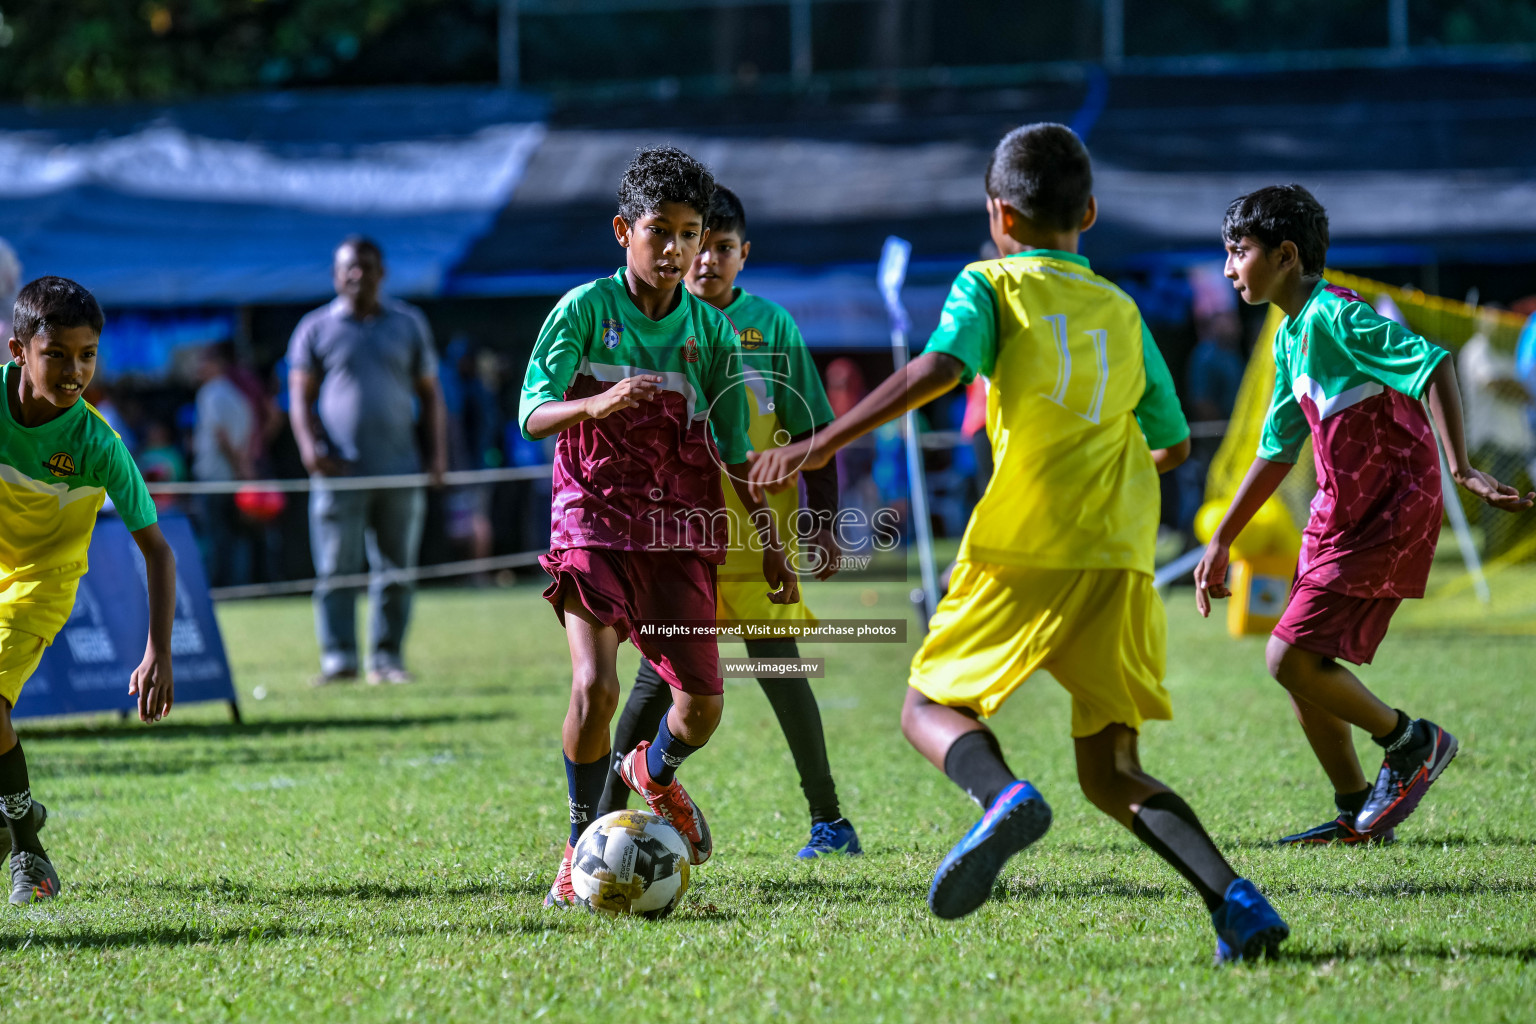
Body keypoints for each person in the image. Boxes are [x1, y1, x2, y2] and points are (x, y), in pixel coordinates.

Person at [750, 124, 1286, 964]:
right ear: (1092, 212)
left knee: (927, 707)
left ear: (999, 213)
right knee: (1111, 772)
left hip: (1025, 540)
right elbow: (1174, 441)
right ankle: (1239, 905)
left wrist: (821, 443)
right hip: (1117, 551)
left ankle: (1000, 800)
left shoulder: (990, 284)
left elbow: (938, 370)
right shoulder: (1122, 307)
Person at [1195, 184, 1534, 847]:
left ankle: (1412, 743)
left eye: (1238, 253)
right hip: (1339, 516)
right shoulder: (1292, 336)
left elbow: (1433, 365)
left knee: (1287, 655)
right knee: (1301, 667)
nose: (1230, 269)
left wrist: (1461, 467)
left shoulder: (1335, 317)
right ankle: (1356, 811)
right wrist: (1221, 541)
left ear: (1286, 255)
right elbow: (1274, 449)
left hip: (1388, 511)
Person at [519, 147, 797, 907]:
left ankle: (652, 773)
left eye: (691, 234)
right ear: (622, 231)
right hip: (593, 525)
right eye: (660, 232)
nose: (676, 249)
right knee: (595, 685)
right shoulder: (583, 312)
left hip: (678, 535)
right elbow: (533, 413)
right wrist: (593, 405)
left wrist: (773, 548)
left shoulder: (711, 335)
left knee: (702, 706)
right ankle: (579, 852)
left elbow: (739, 453)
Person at [594, 185, 860, 858]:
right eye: (696, 244)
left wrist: (820, 523)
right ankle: (597, 824)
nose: (705, 259)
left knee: (781, 669)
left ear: (744, 254)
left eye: (720, 247)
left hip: (752, 535)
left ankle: (828, 821)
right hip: (677, 537)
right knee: (657, 681)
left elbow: (815, 431)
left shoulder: (770, 328)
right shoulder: (655, 324)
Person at [2, 277, 176, 903]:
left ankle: (30, 854)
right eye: (57, 355)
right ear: (19, 350)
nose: (75, 371)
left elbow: (157, 550)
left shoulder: (98, 445)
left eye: (88, 355)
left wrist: (159, 649)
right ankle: (13, 815)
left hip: (41, 584)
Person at [287, 237, 448, 686]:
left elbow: (432, 395)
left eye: (367, 266)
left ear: (383, 272)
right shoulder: (314, 328)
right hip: (339, 475)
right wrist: (308, 447)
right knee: (336, 570)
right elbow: (299, 396)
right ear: (336, 275)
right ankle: (338, 659)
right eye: (348, 268)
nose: (358, 275)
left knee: (397, 571)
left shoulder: (409, 323)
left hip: (401, 469)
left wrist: (438, 456)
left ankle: (387, 659)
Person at [192, 341, 256, 588]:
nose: (199, 368)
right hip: (234, 479)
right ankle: (240, 586)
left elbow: (221, 436)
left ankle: (220, 589)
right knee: (236, 538)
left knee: (217, 538)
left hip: (215, 479)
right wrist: (244, 470)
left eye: (203, 362)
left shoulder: (211, 393)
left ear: (216, 364)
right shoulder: (238, 396)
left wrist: (239, 467)